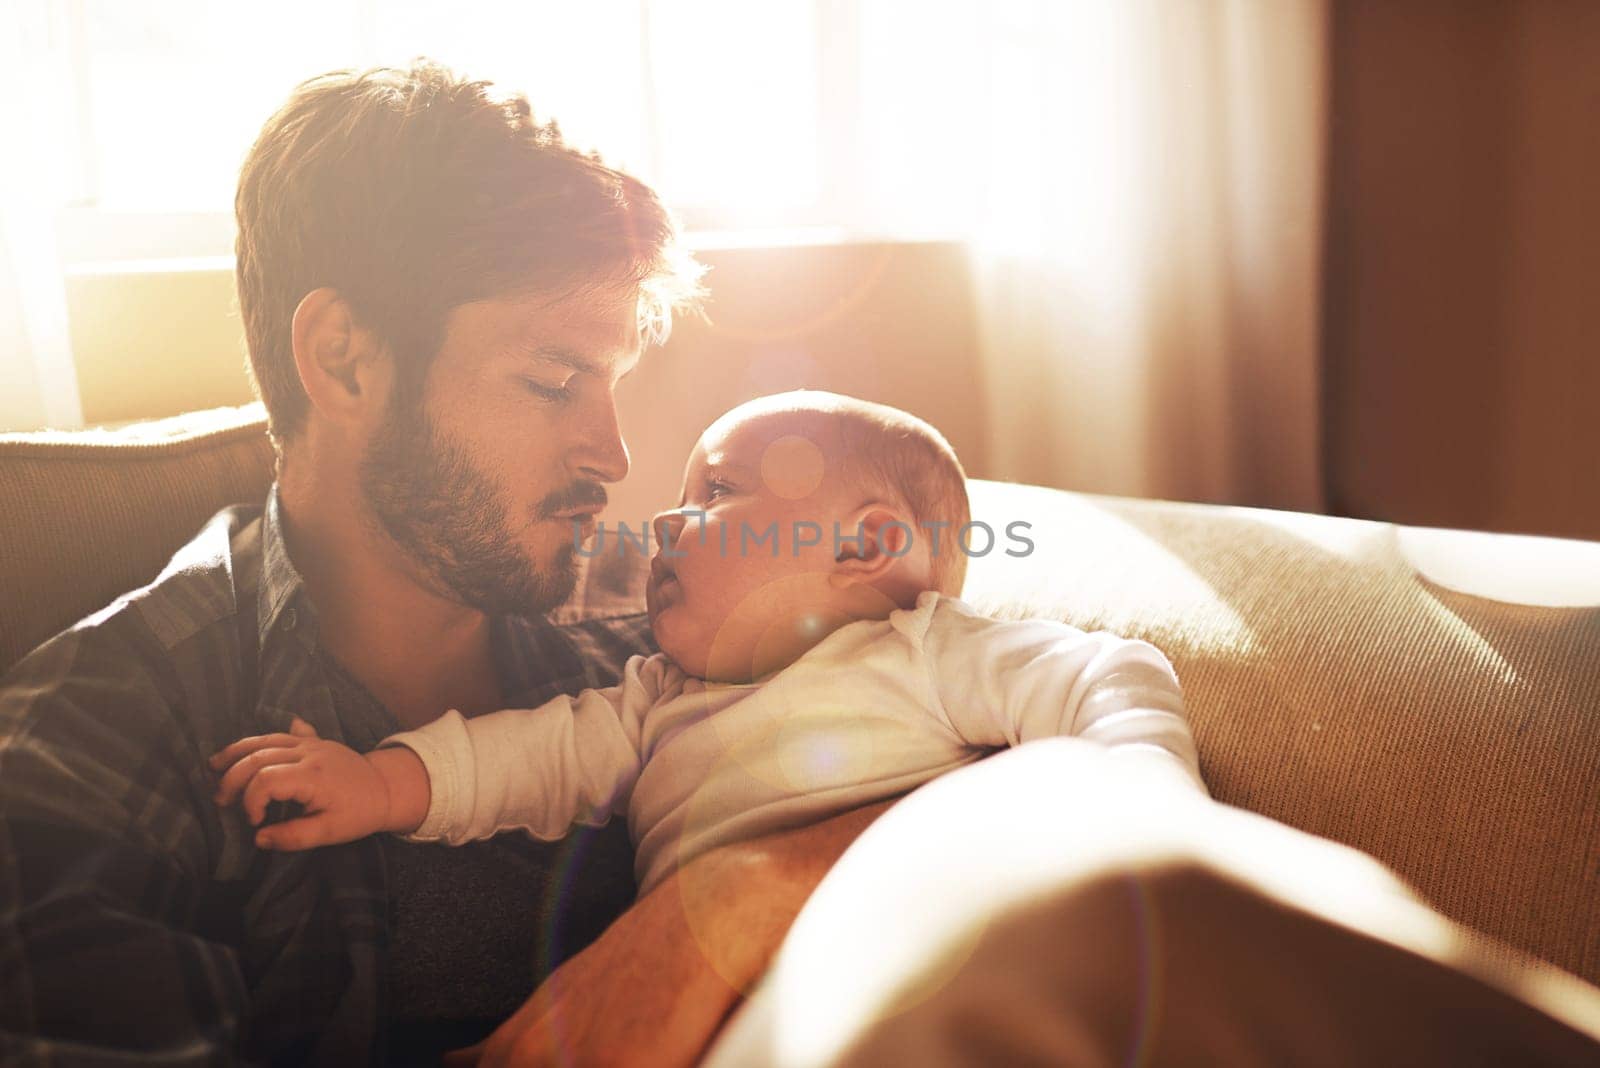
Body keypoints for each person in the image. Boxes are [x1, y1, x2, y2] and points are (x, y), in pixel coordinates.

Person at [0, 62, 887, 1066]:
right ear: (344, 360)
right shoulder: (96, 742)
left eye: (612, 384)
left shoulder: (667, 621)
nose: (615, 457)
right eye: (553, 381)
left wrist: (732, 897)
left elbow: (949, 702)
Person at [206, 392, 1206, 892]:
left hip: (912, 952)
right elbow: (529, 757)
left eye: (717, 493)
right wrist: (380, 786)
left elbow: (1106, 674)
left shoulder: (925, 650)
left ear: (864, 547)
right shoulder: (655, 697)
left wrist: (1140, 785)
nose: (669, 524)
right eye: (684, 501)